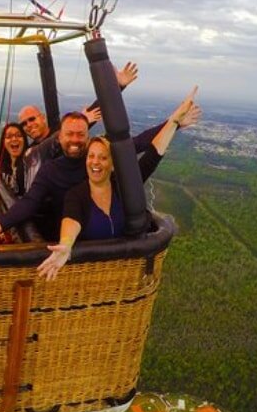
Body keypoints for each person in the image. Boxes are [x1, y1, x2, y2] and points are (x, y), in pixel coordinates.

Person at [0, 87, 201, 246]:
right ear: (59, 137)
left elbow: (140, 146)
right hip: (72, 238)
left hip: (105, 235)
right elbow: (30, 202)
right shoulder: (52, 171)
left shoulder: (99, 160)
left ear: (87, 137)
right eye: (70, 134)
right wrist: (0, 224)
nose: (75, 139)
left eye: (81, 134)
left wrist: (174, 123)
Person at [37, 91, 198, 280]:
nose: (95, 162)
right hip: (89, 276)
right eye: (91, 156)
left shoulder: (124, 188)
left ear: (113, 165)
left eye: (103, 157)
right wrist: (65, 244)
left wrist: (173, 122)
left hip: (124, 277)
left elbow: (154, 152)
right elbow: (71, 221)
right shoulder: (77, 195)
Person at [17, 61, 139, 145]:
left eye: (32, 119)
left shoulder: (62, 129)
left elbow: (98, 108)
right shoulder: (30, 152)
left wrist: (118, 86)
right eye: (23, 124)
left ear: (42, 117)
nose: (28, 125)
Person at [0, 122, 29, 197]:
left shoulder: (30, 165)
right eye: (8, 136)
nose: (14, 139)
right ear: (3, 142)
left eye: (19, 135)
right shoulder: (2, 169)